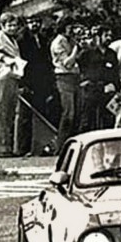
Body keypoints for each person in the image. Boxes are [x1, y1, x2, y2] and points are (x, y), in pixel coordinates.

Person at [0, 12, 27, 157]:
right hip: (2, 77)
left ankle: (7, 146)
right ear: (2, 26)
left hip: (12, 77)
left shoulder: (12, 39)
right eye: (10, 25)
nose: (13, 28)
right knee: (1, 111)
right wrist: (3, 58)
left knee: (10, 112)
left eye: (15, 25)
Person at [15, 15, 55, 156]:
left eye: (37, 22)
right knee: (24, 116)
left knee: (40, 115)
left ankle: (38, 147)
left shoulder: (43, 40)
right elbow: (20, 64)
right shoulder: (21, 40)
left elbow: (46, 64)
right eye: (31, 22)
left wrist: (49, 85)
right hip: (27, 82)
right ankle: (22, 148)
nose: (34, 25)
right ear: (27, 23)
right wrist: (22, 83)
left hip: (41, 83)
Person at [76, 26, 120, 133]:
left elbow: (115, 73)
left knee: (108, 120)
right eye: (106, 35)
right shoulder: (88, 53)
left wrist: (117, 88)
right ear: (99, 37)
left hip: (108, 90)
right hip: (92, 89)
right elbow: (80, 66)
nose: (109, 38)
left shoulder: (112, 54)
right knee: (87, 120)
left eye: (110, 36)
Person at [50, 17, 81, 151]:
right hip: (64, 77)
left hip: (75, 77)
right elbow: (68, 63)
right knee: (68, 112)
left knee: (77, 112)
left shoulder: (71, 41)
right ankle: (61, 145)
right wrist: (76, 48)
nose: (72, 30)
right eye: (70, 27)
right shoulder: (58, 42)